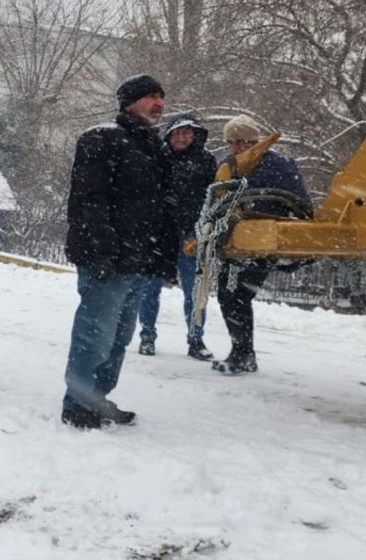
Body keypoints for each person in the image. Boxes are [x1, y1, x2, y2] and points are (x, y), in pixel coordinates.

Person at [61, 74, 178, 429]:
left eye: (161, 97)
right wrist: (102, 250)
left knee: (119, 338)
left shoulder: (153, 147)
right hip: (107, 260)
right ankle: (78, 404)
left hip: (137, 261)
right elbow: (89, 200)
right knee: (95, 335)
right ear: (129, 103)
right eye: (151, 96)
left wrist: (161, 256)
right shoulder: (102, 138)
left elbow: (161, 208)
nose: (159, 103)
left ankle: (98, 398)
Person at [211, 115, 310, 374]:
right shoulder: (230, 165)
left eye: (240, 142)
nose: (234, 147)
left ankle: (242, 354)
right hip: (236, 241)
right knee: (228, 295)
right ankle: (243, 353)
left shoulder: (278, 164)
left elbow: (301, 203)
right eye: (230, 142)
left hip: (263, 241)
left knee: (238, 295)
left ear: (253, 140)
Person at [134, 113, 217, 361]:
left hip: (192, 233)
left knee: (195, 290)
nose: (182, 137)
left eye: (187, 132)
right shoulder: (158, 157)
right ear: (169, 136)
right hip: (159, 233)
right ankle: (147, 336)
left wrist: (204, 225)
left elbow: (213, 196)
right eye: (177, 133)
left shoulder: (206, 161)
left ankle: (196, 339)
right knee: (150, 288)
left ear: (195, 135)